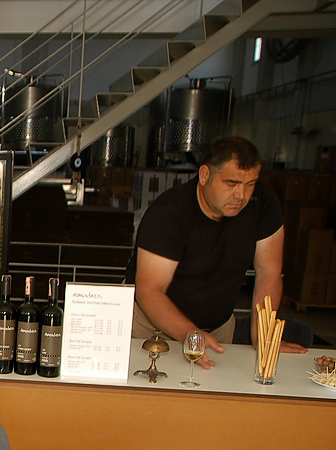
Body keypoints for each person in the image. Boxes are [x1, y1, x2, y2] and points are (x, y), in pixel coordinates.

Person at [126, 136, 308, 368]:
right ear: (205, 175)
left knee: (215, 391)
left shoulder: (261, 202)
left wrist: (263, 337)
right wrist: (190, 335)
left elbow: (269, 270)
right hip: (151, 329)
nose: (241, 195)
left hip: (218, 330)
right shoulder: (169, 213)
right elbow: (149, 290)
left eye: (250, 184)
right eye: (231, 184)